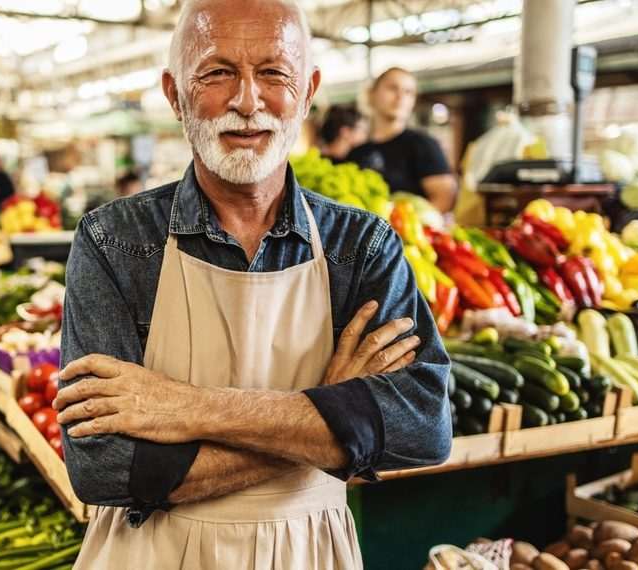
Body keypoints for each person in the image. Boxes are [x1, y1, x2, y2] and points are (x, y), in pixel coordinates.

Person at [53, 1, 451, 568]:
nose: (247, 101)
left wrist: (184, 407)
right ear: (175, 93)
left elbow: (423, 426)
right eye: (217, 73)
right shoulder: (114, 241)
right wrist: (334, 418)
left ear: (307, 91)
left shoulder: (360, 245)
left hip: (309, 553)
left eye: (274, 74)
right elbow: (103, 467)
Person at [347, 67, 457, 212]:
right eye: (392, 88)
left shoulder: (423, 145)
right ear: (372, 93)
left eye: (408, 92)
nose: (400, 97)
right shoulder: (357, 153)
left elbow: (444, 198)